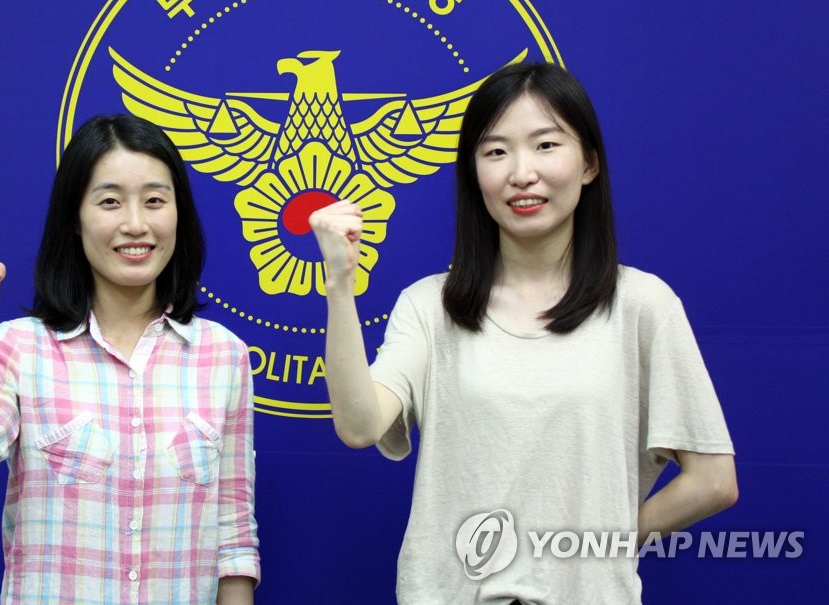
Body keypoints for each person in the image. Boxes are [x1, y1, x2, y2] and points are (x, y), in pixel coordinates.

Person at [308, 62, 737, 604]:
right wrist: (339, 283)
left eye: (546, 145)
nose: (521, 173)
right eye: (496, 151)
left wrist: (593, 550)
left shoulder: (642, 305)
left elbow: (713, 481)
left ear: (589, 163)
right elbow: (359, 425)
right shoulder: (429, 306)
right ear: (474, 173)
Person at [0, 115, 259, 604]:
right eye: (110, 201)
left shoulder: (223, 355)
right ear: (74, 219)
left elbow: (233, 535)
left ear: (179, 215)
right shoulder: (20, 348)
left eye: (155, 201)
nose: (135, 224)